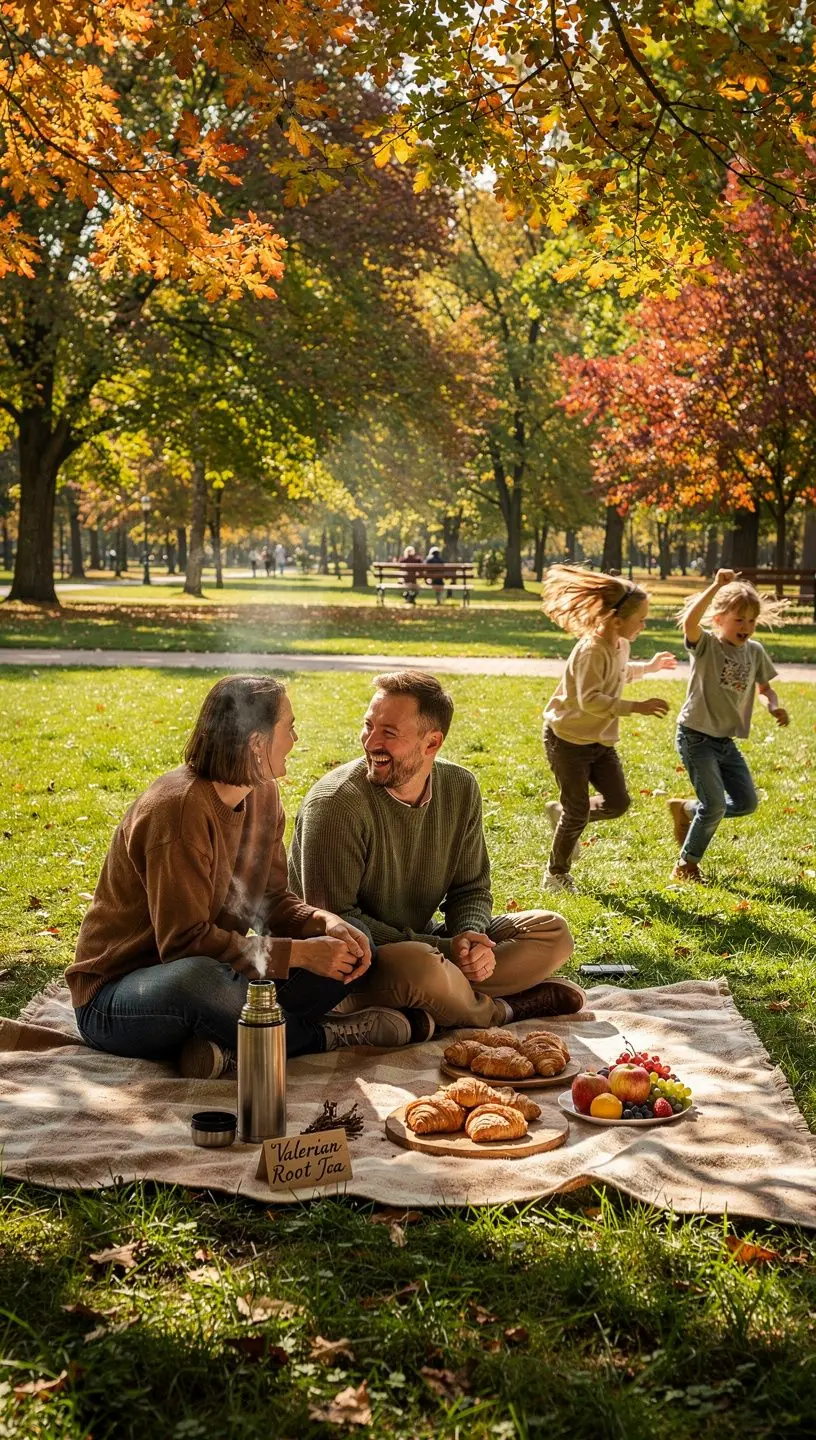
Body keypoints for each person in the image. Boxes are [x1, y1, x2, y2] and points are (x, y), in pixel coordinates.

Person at [65, 676, 413, 1079]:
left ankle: (225, 1045)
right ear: (256, 743)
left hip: (220, 977)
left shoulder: (263, 793)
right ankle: (321, 1037)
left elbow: (273, 901)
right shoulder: (178, 810)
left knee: (353, 939)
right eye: (289, 727)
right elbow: (183, 946)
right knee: (200, 981)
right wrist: (301, 954)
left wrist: (323, 923)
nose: (295, 739)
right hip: (119, 998)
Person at [288, 670, 582, 1034]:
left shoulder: (460, 787)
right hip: (353, 965)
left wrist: (471, 941)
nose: (370, 741)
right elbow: (340, 922)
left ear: (432, 743)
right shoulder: (336, 804)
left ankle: (445, 1000)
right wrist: (444, 947)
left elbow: (471, 888)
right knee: (424, 967)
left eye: (389, 732)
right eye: (368, 726)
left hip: (427, 945)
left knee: (552, 933)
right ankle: (500, 1011)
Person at [540, 564, 678, 893]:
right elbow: (589, 699)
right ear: (616, 620)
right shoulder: (591, 651)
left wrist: (649, 668)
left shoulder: (619, 644)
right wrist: (635, 707)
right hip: (568, 741)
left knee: (617, 803)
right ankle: (555, 874)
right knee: (577, 811)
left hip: (599, 741)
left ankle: (562, 814)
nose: (644, 625)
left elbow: (620, 672)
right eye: (641, 619)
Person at [668, 570, 789, 882]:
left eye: (751, 620)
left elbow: (765, 689)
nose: (746, 627)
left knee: (746, 803)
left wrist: (773, 706)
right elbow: (690, 623)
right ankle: (686, 865)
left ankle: (687, 810)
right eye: (739, 620)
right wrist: (715, 586)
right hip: (695, 736)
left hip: (725, 741)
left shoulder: (755, 651)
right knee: (715, 805)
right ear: (719, 619)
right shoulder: (707, 646)